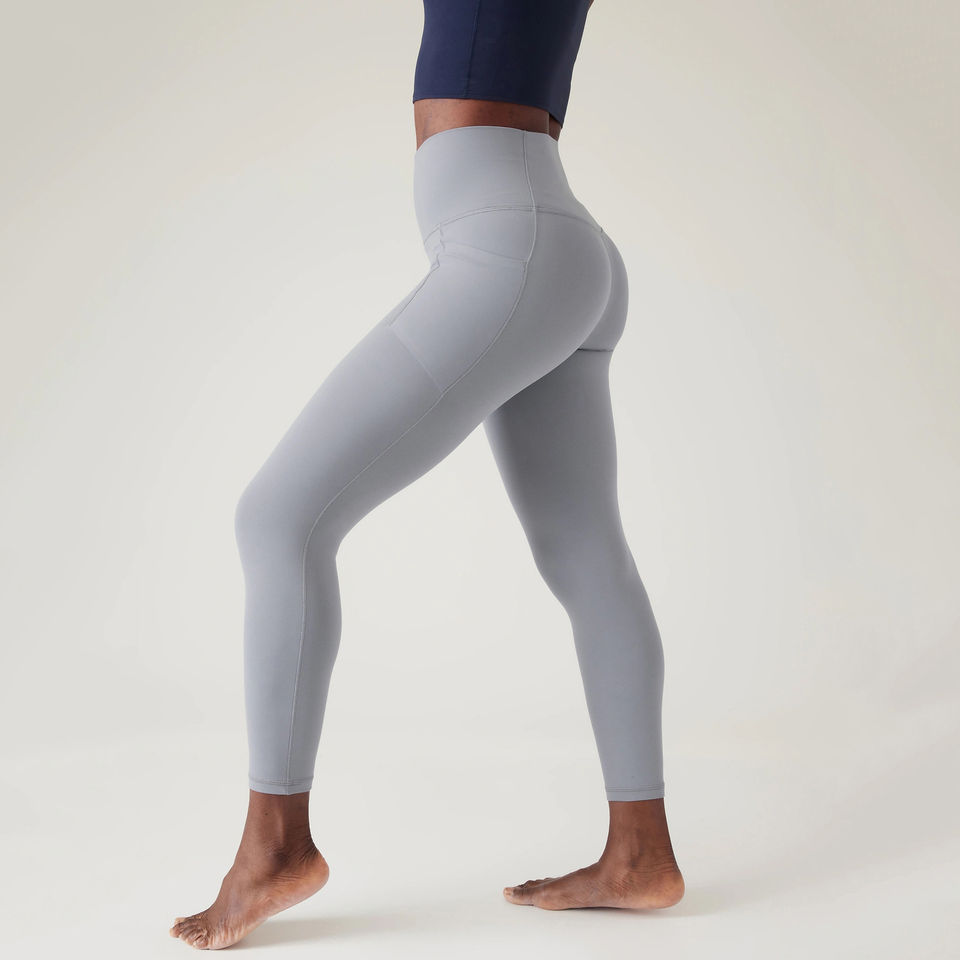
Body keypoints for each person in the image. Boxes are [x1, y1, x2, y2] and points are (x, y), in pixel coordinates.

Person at [170, 0, 684, 949]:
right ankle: (640, 854)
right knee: (586, 556)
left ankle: (274, 847)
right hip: (551, 236)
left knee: (279, 519)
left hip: (507, 242)